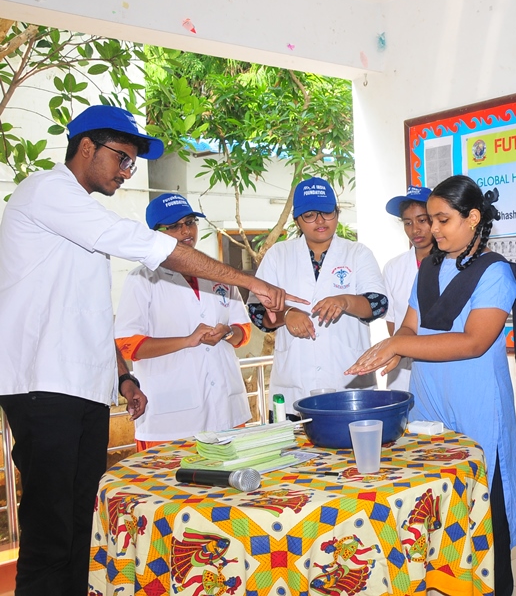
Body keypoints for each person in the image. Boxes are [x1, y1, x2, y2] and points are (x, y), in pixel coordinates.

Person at [0, 105, 300, 596]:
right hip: (42, 387)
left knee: (82, 524)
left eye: (132, 163)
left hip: (81, 390)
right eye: (121, 158)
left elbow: (87, 316)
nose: (126, 171)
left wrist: (122, 378)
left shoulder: (79, 218)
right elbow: (143, 246)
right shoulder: (48, 190)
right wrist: (251, 280)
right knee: (51, 533)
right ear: (86, 147)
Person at [346, 175, 516, 596]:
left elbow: (473, 341)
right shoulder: (428, 269)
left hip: (477, 405)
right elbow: (412, 326)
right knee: (433, 509)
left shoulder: (495, 272)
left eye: (442, 219)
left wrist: (400, 342)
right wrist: (391, 350)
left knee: (485, 516)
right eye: (430, 220)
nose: (432, 229)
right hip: (429, 402)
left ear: (472, 218)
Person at [114, 193, 253, 450]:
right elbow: (127, 345)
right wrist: (187, 341)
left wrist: (226, 332)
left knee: (232, 488)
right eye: (174, 226)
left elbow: (243, 332)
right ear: (154, 234)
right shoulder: (142, 279)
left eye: (190, 222)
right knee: (168, 490)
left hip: (226, 411)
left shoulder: (218, 273)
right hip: (171, 418)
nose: (186, 231)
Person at [248, 177, 388, 416]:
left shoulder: (358, 253)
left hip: (348, 386)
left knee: (352, 451)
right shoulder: (278, 255)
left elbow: (378, 304)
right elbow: (257, 312)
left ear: (337, 212)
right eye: (310, 215)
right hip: (293, 388)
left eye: (327, 213)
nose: (320, 221)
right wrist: (287, 315)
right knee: (293, 451)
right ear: (297, 220)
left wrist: (345, 301)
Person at [380, 185, 433, 390]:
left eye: (422, 220)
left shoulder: (453, 265)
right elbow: (394, 325)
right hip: (402, 372)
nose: (415, 230)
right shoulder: (393, 268)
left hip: (441, 368)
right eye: (408, 222)